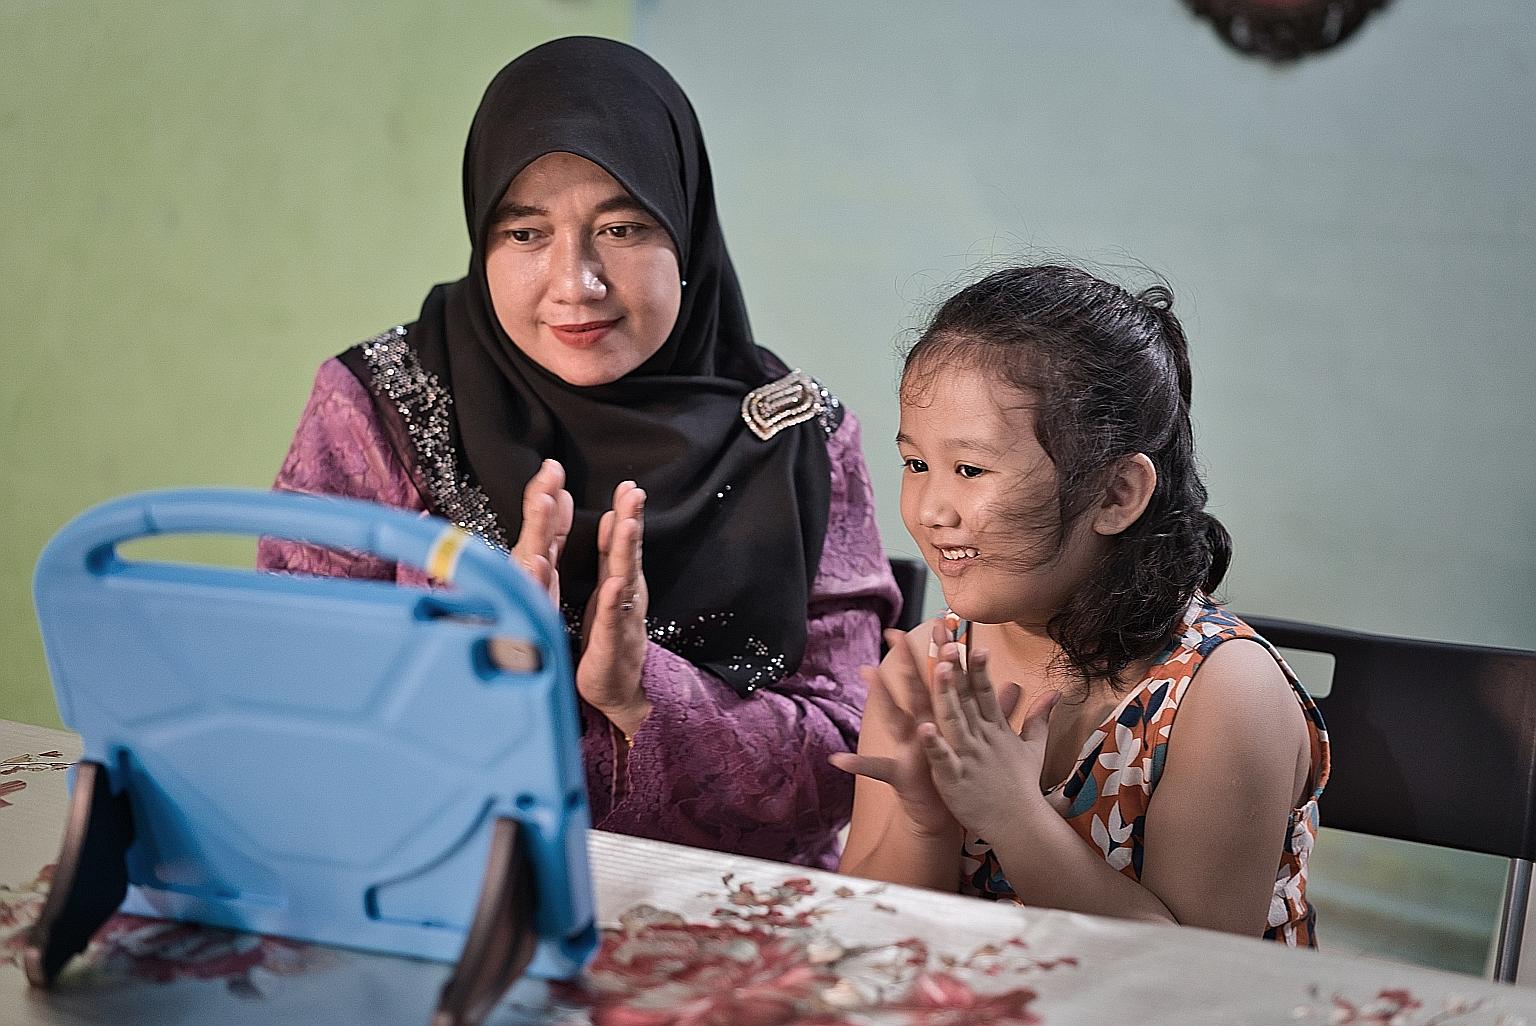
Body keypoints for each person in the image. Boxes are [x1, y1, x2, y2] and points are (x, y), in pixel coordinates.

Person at [258, 37, 899, 869]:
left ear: (688, 224)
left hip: (716, 912)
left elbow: (854, 760)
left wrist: (646, 697)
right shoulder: (379, 406)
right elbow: (285, 699)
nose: (576, 282)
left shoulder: (796, 438)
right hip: (437, 882)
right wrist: (475, 670)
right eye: (526, 233)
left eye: (623, 227)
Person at [831, 265, 1329, 944]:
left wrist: (1013, 817)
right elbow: (870, 939)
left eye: (970, 470)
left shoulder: (1219, 696)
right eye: (916, 464)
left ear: (1117, 494)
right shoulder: (929, 665)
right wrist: (927, 821)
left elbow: (1200, 978)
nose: (930, 509)